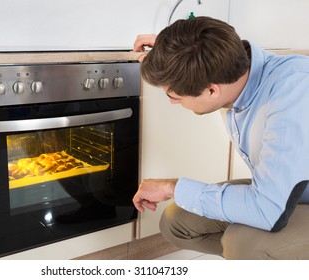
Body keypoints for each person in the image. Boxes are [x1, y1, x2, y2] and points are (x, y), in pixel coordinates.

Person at [132, 16, 309, 259]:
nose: (173, 102)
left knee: (244, 244)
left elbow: (268, 211)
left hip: (280, 201)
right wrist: (174, 52)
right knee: (178, 223)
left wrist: (172, 187)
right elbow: (206, 47)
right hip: (289, 189)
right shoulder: (235, 70)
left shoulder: (293, 90)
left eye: (174, 95)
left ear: (212, 90)